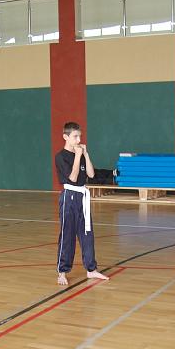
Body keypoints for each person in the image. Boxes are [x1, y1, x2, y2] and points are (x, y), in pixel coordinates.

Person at [55, 122, 109, 286]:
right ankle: (62, 272)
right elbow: (72, 178)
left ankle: (91, 269)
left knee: (87, 234)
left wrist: (86, 154)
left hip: (82, 198)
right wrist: (78, 156)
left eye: (80, 136)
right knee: (67, 235)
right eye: (75, 136)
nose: (79, 140)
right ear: (65, 137)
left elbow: (91, 174)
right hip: (69, 197)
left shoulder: (81, 153)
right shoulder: (61, 157)